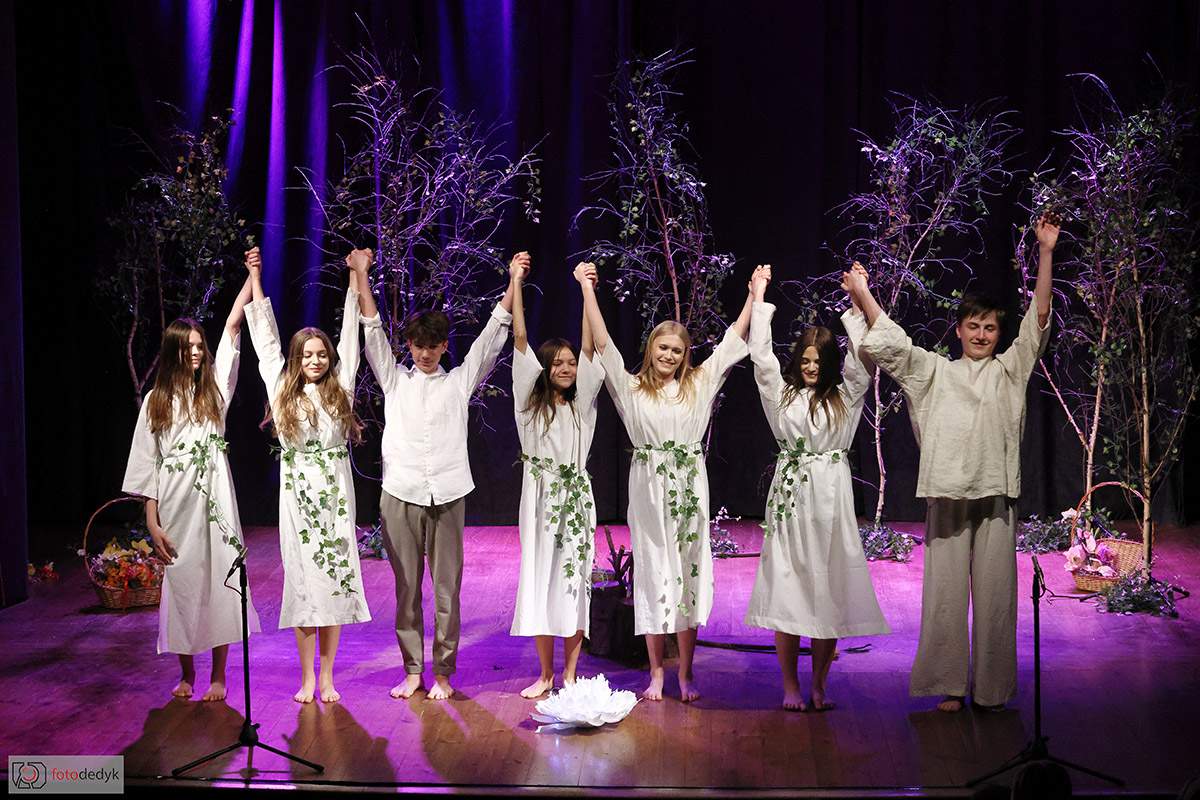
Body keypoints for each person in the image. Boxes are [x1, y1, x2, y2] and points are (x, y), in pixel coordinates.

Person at [844, 213, 1060, 712]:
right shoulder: (936, 371)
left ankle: (991, 689)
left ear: (998, 333)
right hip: (946, 491)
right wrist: (863, 294)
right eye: (974, 326)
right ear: (959, 330)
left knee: (996, 597)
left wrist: (1046, 253)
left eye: (990, 327)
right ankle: (950, 684)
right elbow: (894, 346)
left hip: (995, 494)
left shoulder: (1010, 369)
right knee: (944, 595)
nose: (982, 334)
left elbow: (1038, 321)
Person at [579, 261, 753, 702]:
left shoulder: (698, 384)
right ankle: (656, 671)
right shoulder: (631, 388)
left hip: (689, 488)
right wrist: (587, 289)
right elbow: (603, 343)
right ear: (651, 348)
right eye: (663, 347)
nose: (669, 355)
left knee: (688, 576)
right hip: (649, 491)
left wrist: (754, 295)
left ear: (684, 355)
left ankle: (686, 673)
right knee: (654, 574)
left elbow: (733, 342)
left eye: (677, 350)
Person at [361, 251, 529, 700]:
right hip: (401, 493)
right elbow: (372, 332)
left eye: (433, 346)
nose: (425, 354)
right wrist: (360, 275)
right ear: (409, 346)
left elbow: (491, 337)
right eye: (418, 346)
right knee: (406, 588)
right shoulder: (395, 381)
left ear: (442, 347)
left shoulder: (457, 382)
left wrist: (513, 281)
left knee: (447, 590)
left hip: (449, 493)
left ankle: (443, 674)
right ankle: (412, 670)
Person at [743, 263, 890, 711]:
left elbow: (862, 362)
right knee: (789, 589)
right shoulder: (782, 395)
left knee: (828, 591)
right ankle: (790, 685)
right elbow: (761, 359)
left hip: (831, 498)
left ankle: (820, 684)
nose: (810, 367)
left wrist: (856, 304)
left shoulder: (845, 396)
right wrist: (759, 297)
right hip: (791, 499)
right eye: (805, 360)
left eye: (818, 361)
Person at [122, 277, 262, 701]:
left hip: (215, 497)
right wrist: (152, 522)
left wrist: (251, 278)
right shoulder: (156, 401)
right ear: (174, 352)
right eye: (189, 347)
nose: (198, 352)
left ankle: (219, 676)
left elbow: (233, 327)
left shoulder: (214, 392)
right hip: (175, 500)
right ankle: (187, 673)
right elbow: (147, 464)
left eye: (200, 345)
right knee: (182, 582)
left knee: (221, 579)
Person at [243, 246, 371, 704]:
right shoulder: (282, 388)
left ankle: (329, 676)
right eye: (307, 355)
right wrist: (256, 278)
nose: (315, 361)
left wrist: (357, 278)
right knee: (302, 586)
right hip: (297, 499)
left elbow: (351, 336)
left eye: (321, 355)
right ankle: (306, 678)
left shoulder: (341, 387)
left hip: (334, 495)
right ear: (296, 359)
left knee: (332, 585)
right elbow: (266, 342)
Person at [509, 261, 605, 698]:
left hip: (576, 498)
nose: (567, 368)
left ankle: (569, 675)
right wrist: (516, 282)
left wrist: (586, 290)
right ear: (545, 367)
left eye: (570, 363)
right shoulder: (528, 405)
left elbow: (589, 348)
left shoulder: (582, 405)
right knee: (540, 581)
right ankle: (545, 674)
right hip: (540, 499)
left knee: (573, 582)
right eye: (558, 363)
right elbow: (520, 338)